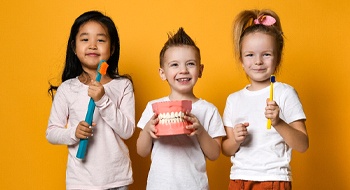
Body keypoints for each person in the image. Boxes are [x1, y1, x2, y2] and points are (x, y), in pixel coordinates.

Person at [46, 10, 135, 190]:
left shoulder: (123, 85)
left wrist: (103, 100)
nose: (93, 45)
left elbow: (127, 131)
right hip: (81, 182)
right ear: (74, 47)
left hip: (117, 180)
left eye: (101, 40)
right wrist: (73, 133)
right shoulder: (67, 89)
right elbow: (52, 133)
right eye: (85, 39)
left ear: (112, 48)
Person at [222, 9, 309, 190]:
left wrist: (278, 122)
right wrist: (236, 140)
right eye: (250, 54)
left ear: (277, 58)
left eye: (266, 54)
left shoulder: (285, 93)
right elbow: (226, 149)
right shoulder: (233, 100)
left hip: (273, 178)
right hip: (238, 179)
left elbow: (302, 144)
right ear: (241, 59)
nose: (258, 61)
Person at [136, 27, 226, 190]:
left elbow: (214, 154)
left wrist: (200, 131)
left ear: (200, 70)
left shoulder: (208, 110)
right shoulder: (152, 107)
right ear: (163, 73)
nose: (183, 70)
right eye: (175, 65)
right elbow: (142, 151)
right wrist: (147, 130)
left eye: (190, 64)